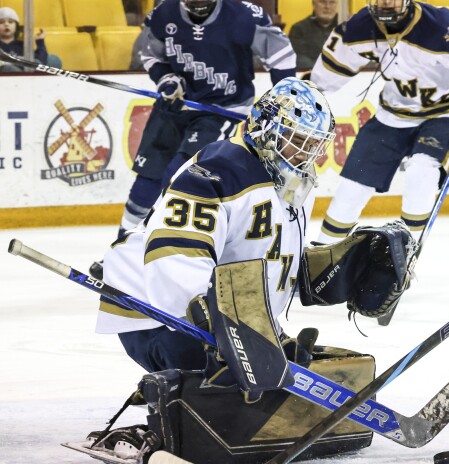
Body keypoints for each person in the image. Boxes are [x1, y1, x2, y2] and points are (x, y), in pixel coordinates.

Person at [66, 79, 417, 464]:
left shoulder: (291, 181)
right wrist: (223, 323)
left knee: (281, 376)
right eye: (297, 139)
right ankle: (155, 431)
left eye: (312, 143)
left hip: (224, 309)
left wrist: (345, 268)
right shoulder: (219, 170)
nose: (307, 153)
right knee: (247, 381)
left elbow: (269, 264)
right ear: (266, 128)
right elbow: (176, 255)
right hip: (157, 315)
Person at [89, 0, 297, 279]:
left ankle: (144, 253)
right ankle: (119, 252)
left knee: (176, 177)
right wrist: (166, 81)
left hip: (223, 110)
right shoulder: (164, 13)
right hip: (175, 106)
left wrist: (283, 100)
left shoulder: (246, 15)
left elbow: (282, 56)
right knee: (146, 182)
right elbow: (151, 55)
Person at [310, 0, 449, 243]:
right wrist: (307, 94)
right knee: (352, 186)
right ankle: (322, 253)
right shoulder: (359, 27)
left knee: (421, 171)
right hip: (392, 116)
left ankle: (408, 246)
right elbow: (324, 76)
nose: (386, 2)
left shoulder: (442, 26)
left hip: (443, 114)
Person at [0, 7, 60, 71]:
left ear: (16, 26)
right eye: (1, 22)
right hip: (6, 78)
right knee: (9, 68)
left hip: (27, 76)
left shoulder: (23, 45)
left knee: (53, 60)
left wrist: (40, 41)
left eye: (10, 22)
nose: (6, 24)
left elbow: (41, 61)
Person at [288, 0, 339, 70]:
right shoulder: (299, 29)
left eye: (332, 2)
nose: (327, 6)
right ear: (314, 4)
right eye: (322, 2)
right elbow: (298, 57)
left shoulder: (347, 28)